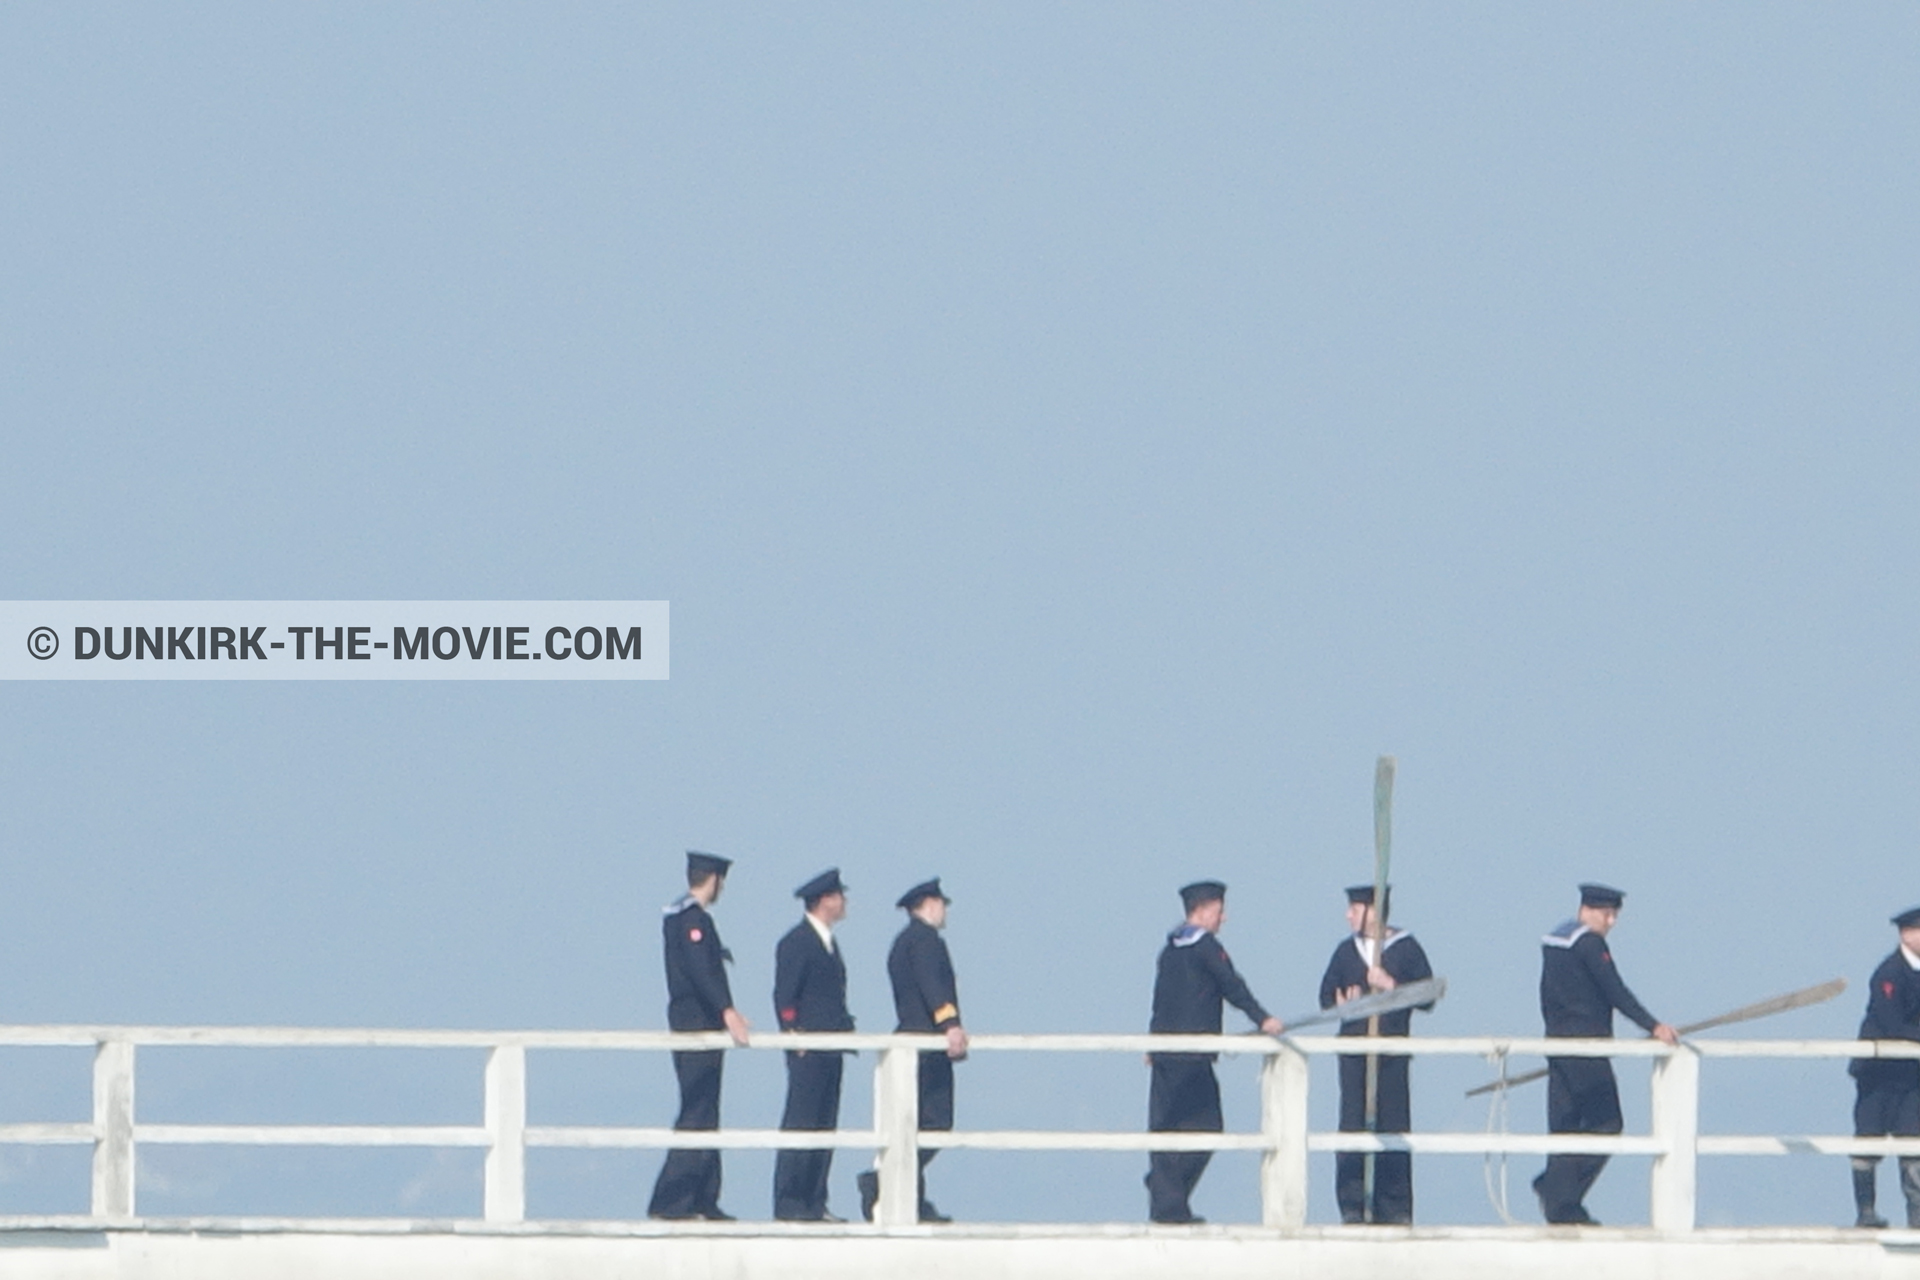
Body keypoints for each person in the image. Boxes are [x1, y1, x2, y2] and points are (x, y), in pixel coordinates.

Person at [1532, 882, 1678, 1226]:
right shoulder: (1588, 943)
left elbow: (1546, 995)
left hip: (1557, 1041)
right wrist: (1653, 1025)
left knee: (1565, 1125)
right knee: (1606, 1123)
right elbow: (1614, 990)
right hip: (1588, 1046)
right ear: (1587, 910)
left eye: (1614, 915)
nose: (1611, 922)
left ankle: (1561, 1207)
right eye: (1606, 914)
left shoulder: (1555, 942)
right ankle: (1557, 1192)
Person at [1145, 880, 1283, 1224]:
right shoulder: (1205, 947)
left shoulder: (1169, 951)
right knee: (1207, 1126)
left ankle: (1168, 1201)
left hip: (1166, 1052)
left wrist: (1153, 1041)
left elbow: (1159, 1001)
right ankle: (1168, 1196)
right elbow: (1232, 985)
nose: (1224, 918)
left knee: (1167, 1129)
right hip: (1193, 1055)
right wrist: (1262, 1017)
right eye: (1220, 911)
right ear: (1205, 911)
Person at [1317, 884, 1434, 1224]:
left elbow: (1427, 997)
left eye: (1354, 908)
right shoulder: (1345, 951)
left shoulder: (1406, 948)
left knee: (1393, 1125)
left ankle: (1394, 1207)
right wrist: (1343, 1003)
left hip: (1392, 1052)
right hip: (1354, 1054)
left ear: (1372, 910)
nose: (1348, 915)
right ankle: (1353, 1205)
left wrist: (1391, 986)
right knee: (1352, 1126)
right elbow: (1326, 996)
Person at [647, 850, 751, 1221]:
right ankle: (672, 1200)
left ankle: (703, 1197)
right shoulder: (692, 920)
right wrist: (727, 1010)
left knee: (707, 1108)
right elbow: (700, 971)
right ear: (715, 880)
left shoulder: (684, 917)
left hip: (700, 1022)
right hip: (696, 1023)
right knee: (697, 1109)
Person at [859, 878, 968, 1223]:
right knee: (933, 1122)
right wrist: (949, 1023)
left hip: (913, 1040)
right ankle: (881, 1183)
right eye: (942, 904)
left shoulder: (902, 942)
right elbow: (932, 984)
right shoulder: (925, 941)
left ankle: (908, 1195)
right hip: (926, 1045)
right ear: (929, 905)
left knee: (914, 1125)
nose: (945, 911)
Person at [772, 868, 855, 1221]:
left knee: (825, 1124)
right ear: (825, 900)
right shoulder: (796, 941)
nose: (845, 903)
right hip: (808, 1050)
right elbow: (784, 994)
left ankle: (815, 1200)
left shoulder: (829, 943)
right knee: (802, 1122)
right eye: (840, 896)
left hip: (831, 1047)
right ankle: (791, 1202)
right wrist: (792, 1032)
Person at [1847, 906, 1920, 1229]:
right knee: (1868, 1139)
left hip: (1910, 1075)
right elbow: (1891, 1022)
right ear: (1906, 933)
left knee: (1914, 1141)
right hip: (1877, 1073)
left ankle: (1917, 1216)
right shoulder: (1888, 973)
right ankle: (1866, 1212)